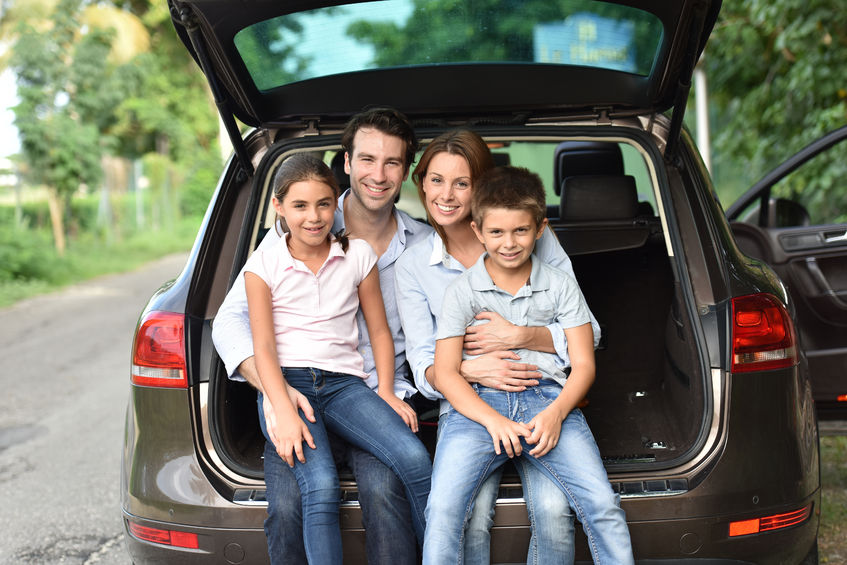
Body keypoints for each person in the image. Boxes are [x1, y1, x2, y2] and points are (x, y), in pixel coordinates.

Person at [212, 107, 433, 565]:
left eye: (392, 162)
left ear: (406, 171)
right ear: (347, 164)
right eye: (368, 159)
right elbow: (231, 325)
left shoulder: (426, 244)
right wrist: (275, 395)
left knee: (385, 488)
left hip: (368, 391)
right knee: (294, 504)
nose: (379, 173)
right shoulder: (291, 238)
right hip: (293, 388)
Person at [395, 129, 600, 564]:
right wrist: (469, 368)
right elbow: (422, 361)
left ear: (481, 188)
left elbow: (590, 334)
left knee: (553, 509)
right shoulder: (414, 264)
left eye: (461, 183)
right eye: (435, 180)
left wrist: (521, 336)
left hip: (543, 396)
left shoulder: (533, 237)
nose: (445, 195)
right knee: (468, 513)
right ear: (421, 183)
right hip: (472, 407)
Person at [424, 166, 634, 564]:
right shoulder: (461, 292)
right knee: (444, 511)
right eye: (497, 233)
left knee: (603, 506)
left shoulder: (560, 285)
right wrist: (493, 421)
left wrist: (557, 414)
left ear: (540, 229)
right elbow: (447, 373)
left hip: (548, 401)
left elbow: (584, 364)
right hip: (476, 410)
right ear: (478, 230)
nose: (509, 243)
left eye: (520, 231)